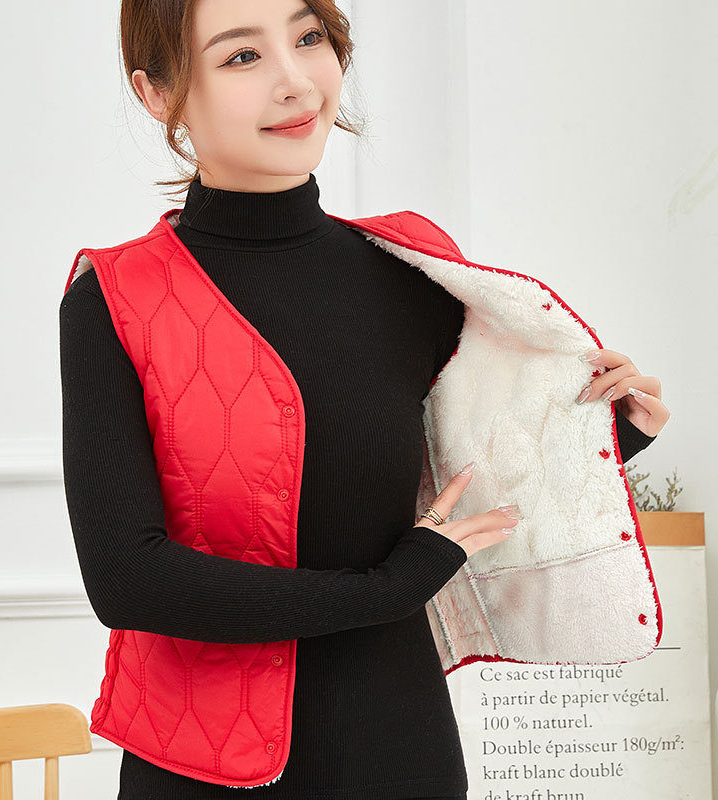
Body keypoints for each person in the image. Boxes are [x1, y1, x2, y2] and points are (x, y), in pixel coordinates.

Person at [59, 1, 667, 798]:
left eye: (308, 38)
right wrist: (386, 590)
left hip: (397, 747)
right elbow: (128, 580)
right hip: (199, 768)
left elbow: (461, 481)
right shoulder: (115, 299)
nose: (294, 80)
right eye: (242, 56)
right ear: (158, 93)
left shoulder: (411, 273)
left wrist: (607, 433)